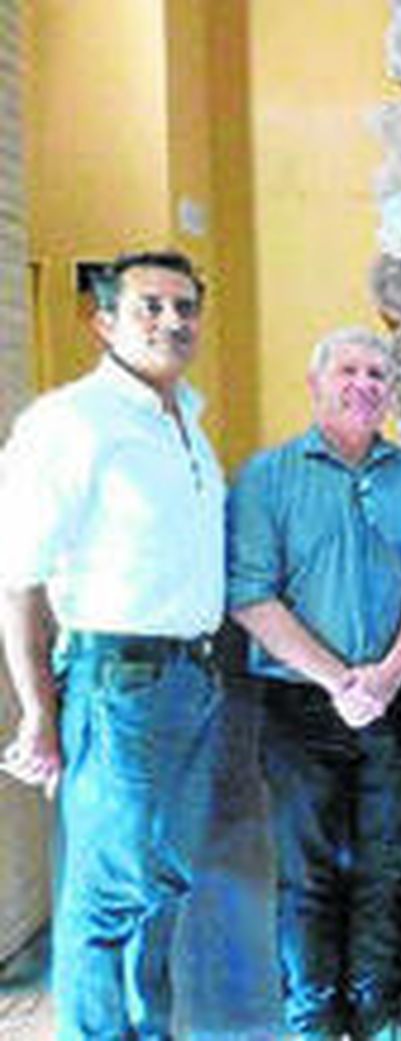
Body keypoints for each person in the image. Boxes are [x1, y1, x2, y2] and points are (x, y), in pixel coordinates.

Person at [0, 250, 223, 1040]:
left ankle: (146, 1031)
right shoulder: (69, 422)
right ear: (104, 322)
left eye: (185, 306)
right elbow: (17, 576)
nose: (172, 320)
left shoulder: (185, 419)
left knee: (163, 881)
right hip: (115, 680)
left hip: (194, 678)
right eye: (150, 307)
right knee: (108, 889)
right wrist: (37, 713)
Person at [229, 327, 401, 1040]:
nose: (364, 383)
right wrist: (337, 681)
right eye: (349, 370)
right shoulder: (267, 477)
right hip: (299, 706)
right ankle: (314, 1016)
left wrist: (385, 677)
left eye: (377, 373)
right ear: (315, 382)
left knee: (385, 866)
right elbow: (251, 597)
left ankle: (377, 1007)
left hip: (392, 702)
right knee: (310, 872)